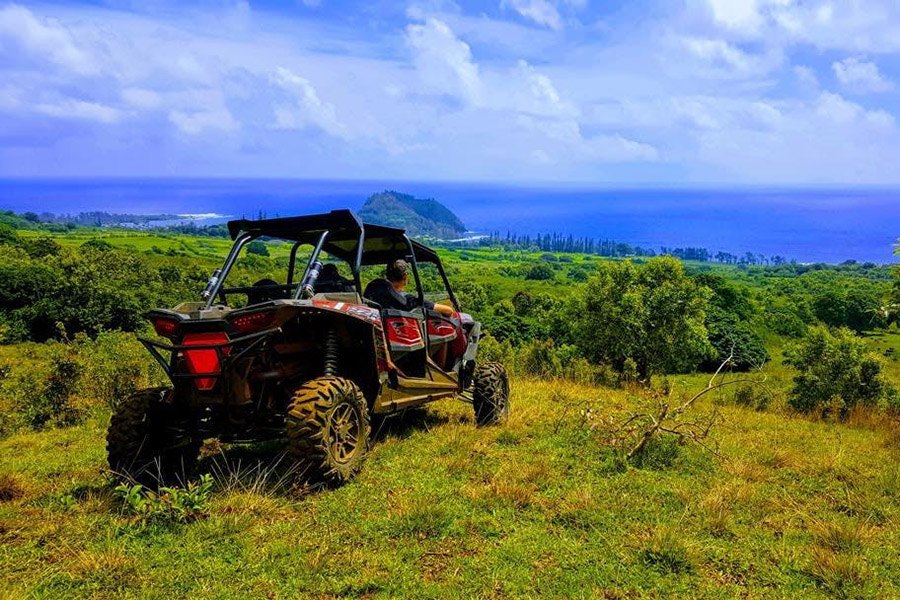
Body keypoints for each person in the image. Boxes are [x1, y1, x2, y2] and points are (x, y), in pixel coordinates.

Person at [364, 259, 454, 316]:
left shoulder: (373, 293)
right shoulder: (408, 301)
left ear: (387, 275)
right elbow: (448, 310)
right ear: (405, 277)